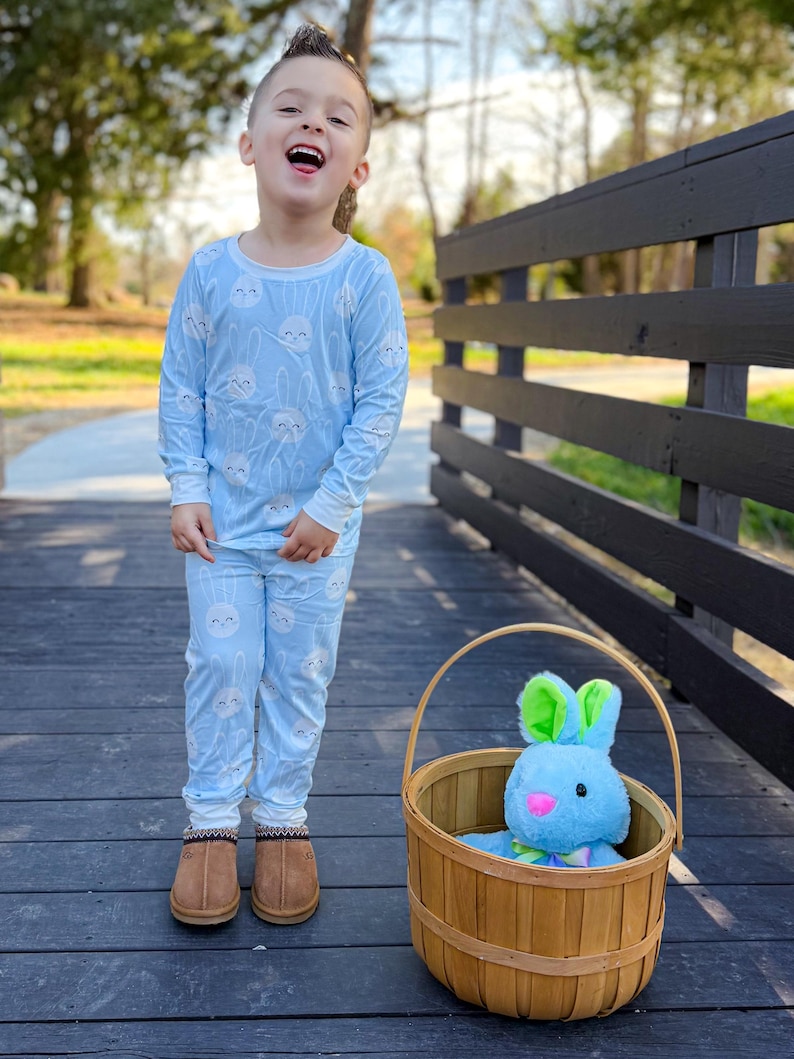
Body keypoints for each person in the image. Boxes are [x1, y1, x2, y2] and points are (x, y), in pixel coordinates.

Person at [158, 23, 408, 927]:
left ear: (357, 170)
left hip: (315, 534)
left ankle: (285, 816)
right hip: (221, 525)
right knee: (223, 661)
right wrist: (186, 486)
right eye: (292, 107)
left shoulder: (364, 279)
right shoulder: (212, 272)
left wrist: (334, 505)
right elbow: (181, 386)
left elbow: (382, 400)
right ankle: (213, 821)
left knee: (301, 670)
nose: (315, 123)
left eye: (340, 118)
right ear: (250, 141)